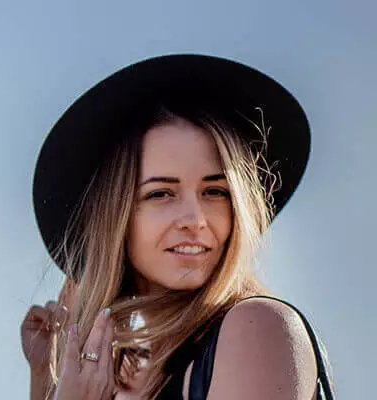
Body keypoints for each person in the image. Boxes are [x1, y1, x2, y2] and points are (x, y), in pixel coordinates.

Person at [20, 54, 335, 399]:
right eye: (161, 194)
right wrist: (46, 381)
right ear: (115, 219)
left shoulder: (257, 328)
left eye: (215, 191)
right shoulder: (128, 384)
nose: (195, 220)